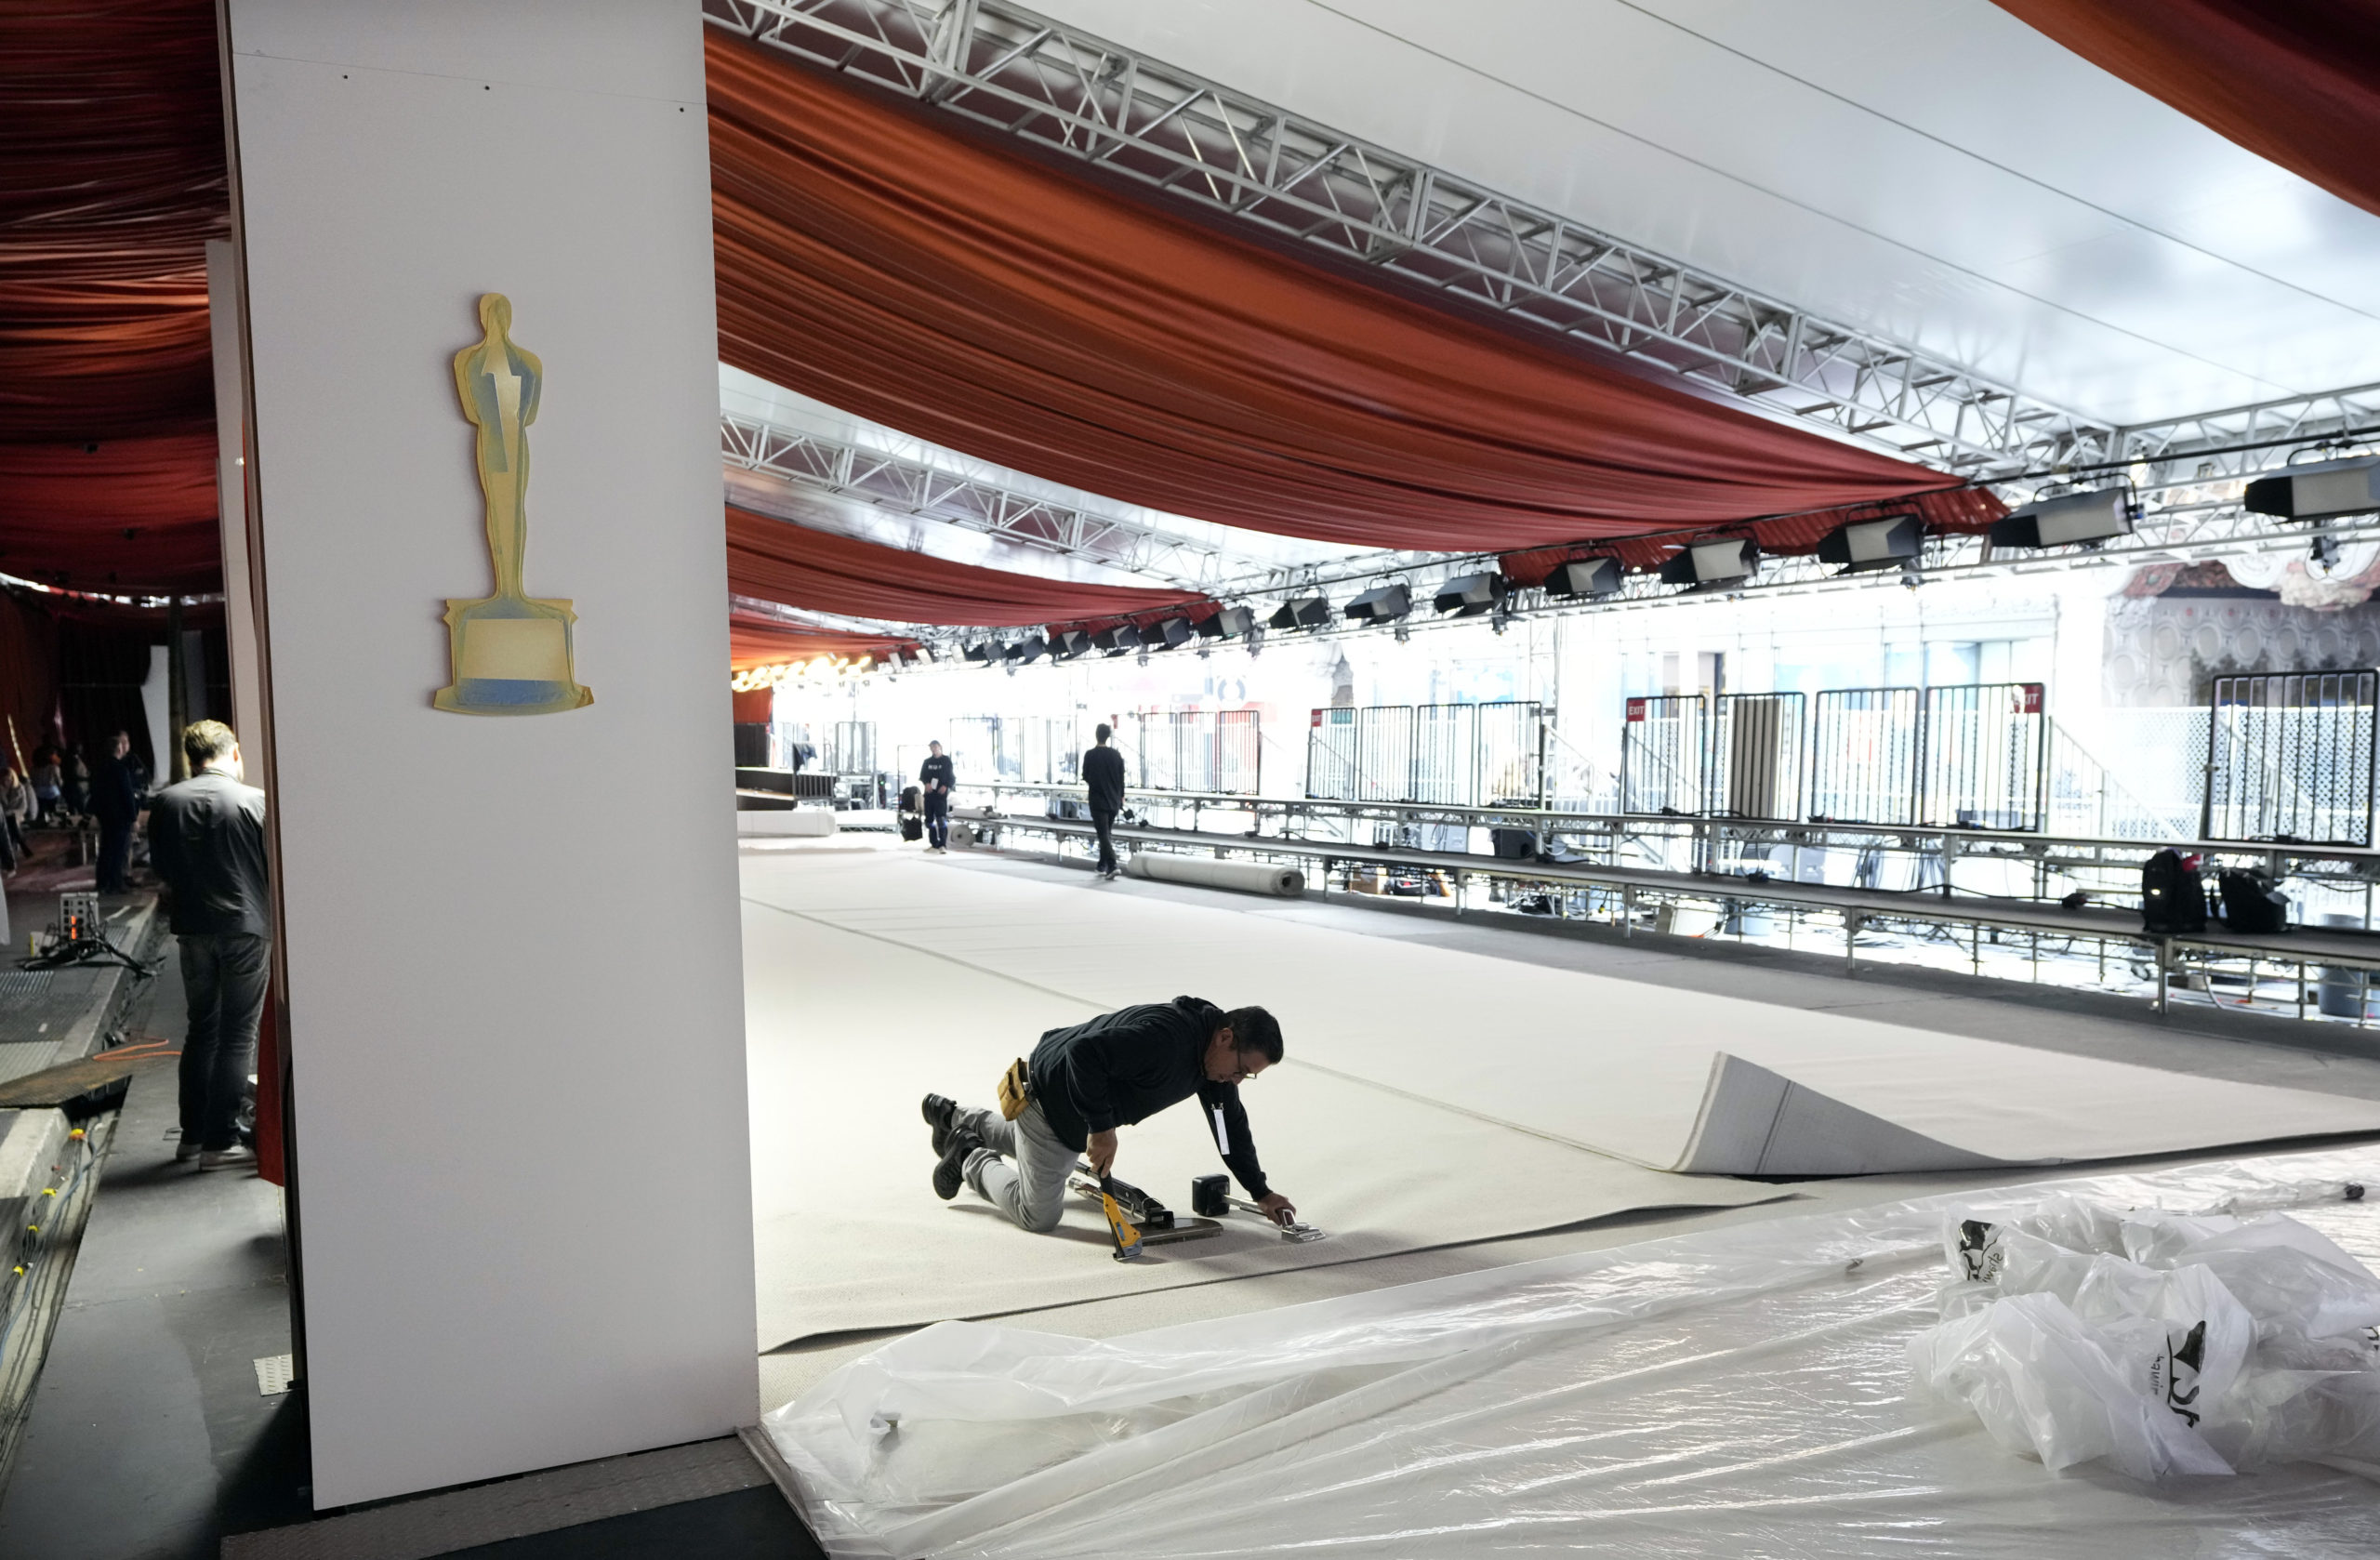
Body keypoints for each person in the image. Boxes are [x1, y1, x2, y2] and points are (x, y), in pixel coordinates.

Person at [921, 997, 1296, 1235]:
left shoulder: (1213, 1065)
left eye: (1247, 1077)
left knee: (1037, 1149)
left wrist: (1260, 1191)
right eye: (1241, 1070)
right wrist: (1102, 1128)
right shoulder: (1167, 1039)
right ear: (1226, 1037)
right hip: (1054, 1098)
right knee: (1037, 1215)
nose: (1237, 1081)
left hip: (1059, 1090)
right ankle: (971, 1154)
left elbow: (1229, 1127)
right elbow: (1084, 1054)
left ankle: (958, 1118)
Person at [147, 721, 271, 1170]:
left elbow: (160, 867)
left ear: (190, 757)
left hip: (193, 929)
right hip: (246, 928)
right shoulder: (255, 800)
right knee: (239, 1034)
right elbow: (274, 868)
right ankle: (220, 1142)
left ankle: (192, 1137)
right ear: (234, 752)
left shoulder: (165, 803)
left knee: (202, 1029)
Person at [91, 731, 144, 893]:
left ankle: (102, 882)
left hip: (105, 815)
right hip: (120, 817)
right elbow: (126, 795)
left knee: (105, 850)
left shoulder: (98, 768)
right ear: (119, 750)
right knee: (118, 851)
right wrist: (133, 817)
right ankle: (116, 883)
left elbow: (94, 793)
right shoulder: (120, 769)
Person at [1083, 721, 1126, 879]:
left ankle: (1113, 864)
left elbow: (1086, 776)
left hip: (1098, 800)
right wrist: (1121, 796)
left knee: (1103, 834)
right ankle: (1102, 865)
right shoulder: (1116, 755)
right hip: (1114, 801)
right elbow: (1122, 779)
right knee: (1106, 833)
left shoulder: (1090, 755)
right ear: (1108, 736)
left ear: (1096, 735)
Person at [918, 740, 955, 853]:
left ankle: (942, 844)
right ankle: (934, 843)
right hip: (929, 795)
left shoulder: (946, 761)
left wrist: (946, 786)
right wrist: (926, 783)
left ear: (940, 747)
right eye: (931, 747)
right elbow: (922, 776)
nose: (933, 749)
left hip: (940, 796)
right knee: (929, 821)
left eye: (935, 747)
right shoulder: (927, 762)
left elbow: (951, 777)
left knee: (941, 819)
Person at [29, 750, 61, 822]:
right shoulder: (53, 768)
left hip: (38, 791)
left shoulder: (33, 769)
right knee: (54, 810)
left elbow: (32, 781)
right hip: (52, 791)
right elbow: (59, 781)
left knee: (42, 810)